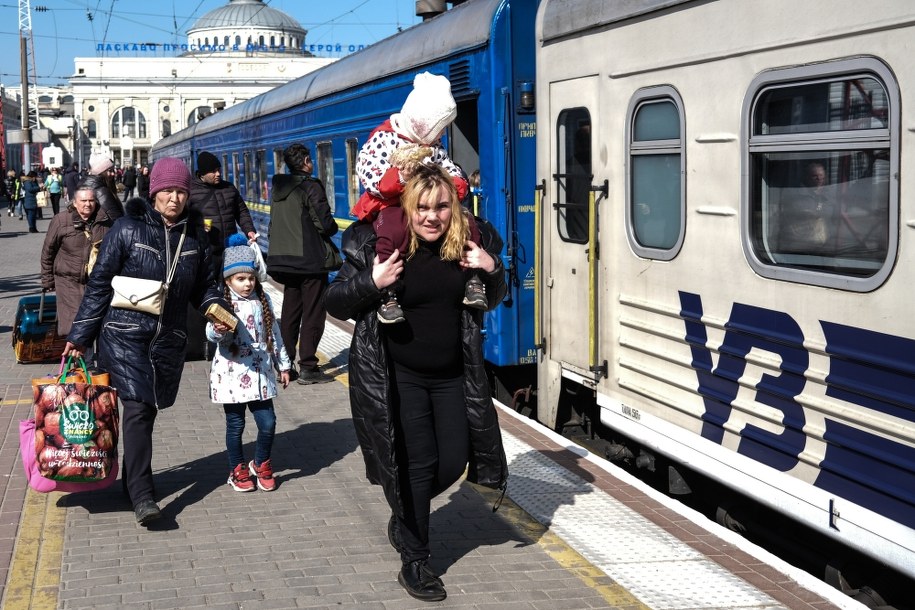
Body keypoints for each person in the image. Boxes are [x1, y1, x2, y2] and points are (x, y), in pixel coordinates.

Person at [325, 164, 509, 602]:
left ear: (455, 208)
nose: (432, 216)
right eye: (422, 207)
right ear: (407, 207)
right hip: (396, 376)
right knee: (418, 463)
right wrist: (372, 282)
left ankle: (405, 511)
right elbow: (334, 301)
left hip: (452, 377)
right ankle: (416, 560)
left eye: (442, 206)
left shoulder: (470, 245)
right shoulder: (375, 243)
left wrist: (492, 268)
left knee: (454, 461)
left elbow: (496, 296)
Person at [63, 157, 227, 526]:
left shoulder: (196, 237)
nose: (175, 198)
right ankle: (143, 495)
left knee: (147, 411)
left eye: (182, 191)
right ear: (153, 193)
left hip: (168, 341)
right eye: (168, 191)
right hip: (124, 336)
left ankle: (131, 480)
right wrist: (79, 336)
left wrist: (217, 308)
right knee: (137, 408)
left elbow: (205, 287)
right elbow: (100, 286)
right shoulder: (126, 229)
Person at [353, 71, 485, 324]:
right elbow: (371, 176)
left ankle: (473, 278)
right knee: (391, 228)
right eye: (440, 127)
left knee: (467, 221)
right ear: (424, 122)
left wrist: (453, 184)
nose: (442, 134)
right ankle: (387, 291)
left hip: (428, 202)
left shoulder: (433, 147)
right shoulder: (385, 138)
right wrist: (402, 176)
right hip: (394, 205)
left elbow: (453, 172)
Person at [206, 234, 292, 492]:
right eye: (240, 279)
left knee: (268, 422)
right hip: (231, 376)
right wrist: (219, 330)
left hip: (260, 373)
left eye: (251, 278)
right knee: (236, 425)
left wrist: (284, 365)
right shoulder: (222, 303)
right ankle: (237, 469)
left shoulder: (262, 302)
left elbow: (274, 336)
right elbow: (210, 335)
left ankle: (261, 462)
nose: (247, 284)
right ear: (228, 280)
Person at [266, 143, 337, 385]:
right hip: (309, 260)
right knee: (314, 313)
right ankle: (308, 366)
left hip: (284, 260)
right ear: (306, 161)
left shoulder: (278, 188)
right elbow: (325, 224)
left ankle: (285, 364)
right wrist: (332, 227)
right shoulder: (311, 186)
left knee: (290, 312)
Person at [40, 180, 113, 338]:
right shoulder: (61, 221)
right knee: (76, 324)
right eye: (83, 201)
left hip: (96, 281)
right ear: (74, 202)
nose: (88, 204)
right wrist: (47, 280)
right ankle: (82, 361)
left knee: (98, 322)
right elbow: (48, 252)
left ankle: (98, 359)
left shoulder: (105, 222)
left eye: (91, 200)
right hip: (68, 280)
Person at [188, 151, 257, 275]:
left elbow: (241, 211)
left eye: (219, 170)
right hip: (207, 252)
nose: (218, 174)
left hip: (231, 249)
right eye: (213, 171)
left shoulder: (229, 188)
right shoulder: (191, 192)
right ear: (203, 173)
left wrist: (249, 230)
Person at [82, 153, 124, 221]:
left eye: (113, 170)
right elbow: (116, 219)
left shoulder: (87, 183)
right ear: (101, 172)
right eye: (109, 171)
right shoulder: (101, 191)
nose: (113, 174)